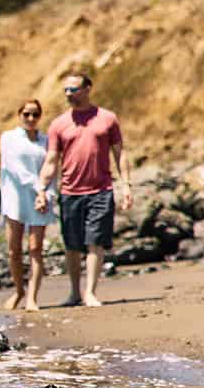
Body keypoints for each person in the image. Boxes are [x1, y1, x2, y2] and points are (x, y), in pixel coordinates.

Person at [35, 73, 132, 307]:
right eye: (66, 90)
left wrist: (126, 185)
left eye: (74, 89)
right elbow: (51, 160)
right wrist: (41, 190)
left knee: (95, 241)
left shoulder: (107, 119)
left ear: (88, 89)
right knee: (72, 245)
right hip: (69, 191)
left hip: (101, 189)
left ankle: (90, 292)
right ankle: (74, 292)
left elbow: (120, 153)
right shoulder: (58, 124)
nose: (69, 94)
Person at [0, 100, 57, 311]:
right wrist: (39, 189)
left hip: (40, 200)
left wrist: (47, 194)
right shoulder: (8, 138)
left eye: (35, 115)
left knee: (36, 248)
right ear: (19, 114)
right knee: (14, 250)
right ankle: (19, 290)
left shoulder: (47, 140)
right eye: (26, 114)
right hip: (16, 198)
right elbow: (16, 168)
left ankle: (32, 297)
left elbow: (51, 169)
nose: (31, 119)